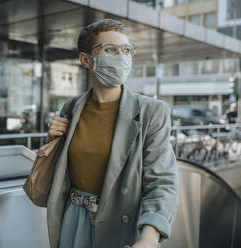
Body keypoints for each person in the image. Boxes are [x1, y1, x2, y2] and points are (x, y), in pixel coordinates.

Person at [45, 19, 179, 248]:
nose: (122, 56)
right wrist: (51, 143)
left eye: (127, 50)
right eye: (110, 49)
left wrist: (149, 237)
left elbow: (162, 182)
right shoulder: (71, 108)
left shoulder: (151, 111)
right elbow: (65, 172)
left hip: (121, 226)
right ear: (86, 59)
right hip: (72, 222)